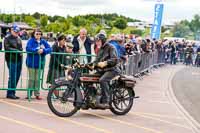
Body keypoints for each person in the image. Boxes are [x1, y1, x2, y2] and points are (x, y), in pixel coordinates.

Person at [91, 33, 121, 108]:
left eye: (98, 41)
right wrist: (89, 64)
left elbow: (115, 60)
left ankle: (106, 101)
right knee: (88, 77)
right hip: (103, 70)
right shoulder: (100, 49)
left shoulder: (111, 47)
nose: (96, 42)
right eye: (96, 41)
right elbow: (96, 60)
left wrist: (106, 62)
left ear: (103, 41)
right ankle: (92, 97)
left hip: (113, 69)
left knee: (103, 80)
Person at [26, 29, 51, 100]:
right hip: (31, 63)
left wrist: (44, 50)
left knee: (37, 80)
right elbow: (28, 49)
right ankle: (29, 94)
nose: (38, 35)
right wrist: (37, 50)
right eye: (37, 34)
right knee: (32, 79)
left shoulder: (43, 41)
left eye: (40, 34)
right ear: (34, 34)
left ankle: (37, 94)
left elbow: (50, 48)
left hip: (40, 63)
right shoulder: (31, 40)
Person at [4, 25, 23, 99]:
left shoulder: (18, 38)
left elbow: (20, 47)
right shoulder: (7, 38)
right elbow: (7, 48)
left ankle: (13, 92)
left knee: (17, 76)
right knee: (12, 76)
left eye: (17, 31)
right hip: (11, 59)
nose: (16, 33)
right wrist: (17, 51)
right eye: (15, 31)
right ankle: (10, 93)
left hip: (19, 59)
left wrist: (20, 51)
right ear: (11, 30)